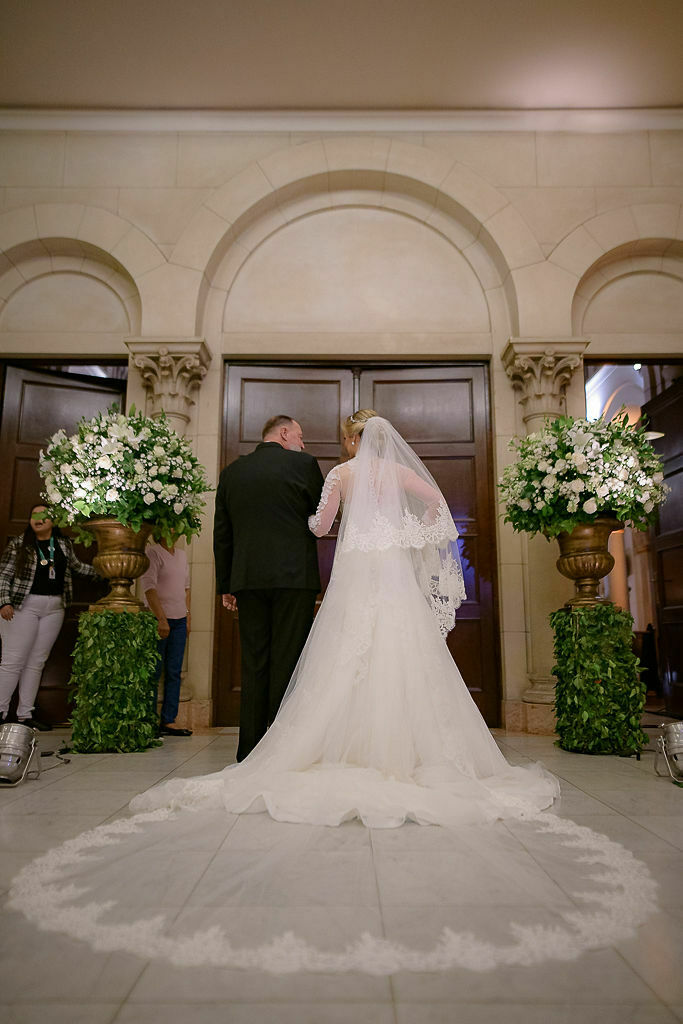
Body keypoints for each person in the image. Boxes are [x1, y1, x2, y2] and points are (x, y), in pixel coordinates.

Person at [135, 412, 558, 826]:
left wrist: (261, 553)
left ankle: (275, 749)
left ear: (354, 440)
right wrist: (409, 534)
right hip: (382, 577)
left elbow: (316, 527)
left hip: (329, 575)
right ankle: (404, 752)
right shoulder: (387, 470)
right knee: (397, 652)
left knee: (316, 655)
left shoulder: (330, 474)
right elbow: (435, 503)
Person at [213, 414, 325, 761]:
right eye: (301, 436)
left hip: (248, 580)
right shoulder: (304, 465)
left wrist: (227, 584)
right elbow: (320, 518)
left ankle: (248, 750)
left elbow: (223, 533)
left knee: (254, 662)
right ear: (285, 432)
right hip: (294, 579)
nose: (303, 444)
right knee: (288, 662)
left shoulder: (232, 473)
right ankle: (281, 750)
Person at [0, 504, 99, 730]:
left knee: (36, 662)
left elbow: (78, 568)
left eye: (43, 515)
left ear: (53, 521)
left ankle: (25, 715)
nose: (38, 518)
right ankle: (1, 711)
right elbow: (3, 576)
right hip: (22, 606)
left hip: (54, 607)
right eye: (33, 514)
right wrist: (4, 601)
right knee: (13, 661)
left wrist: (106, 572)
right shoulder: (19, 544)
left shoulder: (63, 545)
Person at [140, 534, 193, 737]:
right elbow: (149, 588)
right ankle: (149, 721)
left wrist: (187, 617)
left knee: (174, 671)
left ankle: (169, 720)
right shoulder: (153, 552)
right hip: (159, 619)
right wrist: (161, 619)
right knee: (154, 671)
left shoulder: (181, 555)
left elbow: (186, 589)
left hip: (179, 620)